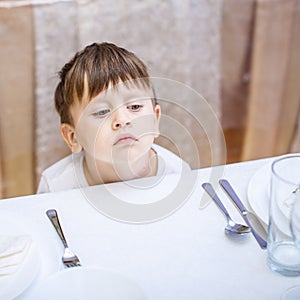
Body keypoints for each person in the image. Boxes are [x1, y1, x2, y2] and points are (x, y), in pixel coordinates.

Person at [37, 42, 190, 193]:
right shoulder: (56, 187)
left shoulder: (177, 175)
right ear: (73, 137)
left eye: (135, 107)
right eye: (102, 111)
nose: (122, 120)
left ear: (155, 121)